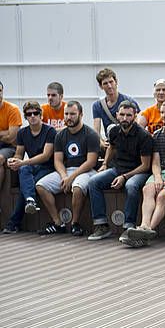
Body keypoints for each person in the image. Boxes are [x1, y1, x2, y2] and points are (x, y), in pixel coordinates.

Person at [121, 100, 165, 247]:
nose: (164, 115)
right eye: (162, 112)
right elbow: (155, 162)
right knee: (147, 189)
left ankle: (147, 232)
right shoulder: (157, 134)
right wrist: (158, 177)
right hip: (161, 171)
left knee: (162, 195)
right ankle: (144, 226)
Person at [87, 101, 153, 241]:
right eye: (122, 114)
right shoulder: (114, 131)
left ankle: (128, 227)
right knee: (93, 182)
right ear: (117, 115)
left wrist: (124, 176)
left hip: (139, 172)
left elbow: (145, 166)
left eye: (129, 115)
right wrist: (105, 164)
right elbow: (111, 147)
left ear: (135, 116)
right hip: (118, 169)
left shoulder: (144, 136)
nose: (125, 118)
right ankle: (101, 225)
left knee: (131, 185)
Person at [35, 101, 100, 236]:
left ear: (81, 115)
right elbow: (57, 161)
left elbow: (91, 162)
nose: (69, 117)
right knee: (41, 185)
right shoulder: (60, 135)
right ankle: (58, 223)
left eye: (72, 114)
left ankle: (75, 223)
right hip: (67, 171)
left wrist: (71, 177)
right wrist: (64, 176)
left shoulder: (90, 134)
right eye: (66, 114)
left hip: (86, 171)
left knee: (77, 187)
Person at [2, 102, 56, 233]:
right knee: (24, 170)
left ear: (41, 115)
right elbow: (19, 153)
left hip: (48, 167)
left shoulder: (50, 131)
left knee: (26, 186)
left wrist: (23, 163)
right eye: (29, 114)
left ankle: (14, 222)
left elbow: (45, 156)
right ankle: (30, 200)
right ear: (25, 117)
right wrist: (14, 160)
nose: (32, 116)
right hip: (31, 167)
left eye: (35, 113)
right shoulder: (22, 133)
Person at [92, 68, 140, 151]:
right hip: (111, 142)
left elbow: (137, 125)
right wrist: (101, 142)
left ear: (116, 82)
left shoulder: (129, 101)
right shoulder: (97, 105)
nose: (109, 86)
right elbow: (96, 130)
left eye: (111, 82)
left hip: (128, 141)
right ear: (101, 86)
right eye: (105, 83)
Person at [0, 81, 22, 193]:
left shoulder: (12, 109)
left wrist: (7, 134)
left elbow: (11, 137)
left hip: (9, 146)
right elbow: (7, 134)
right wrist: (5, 132)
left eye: (0, 91)